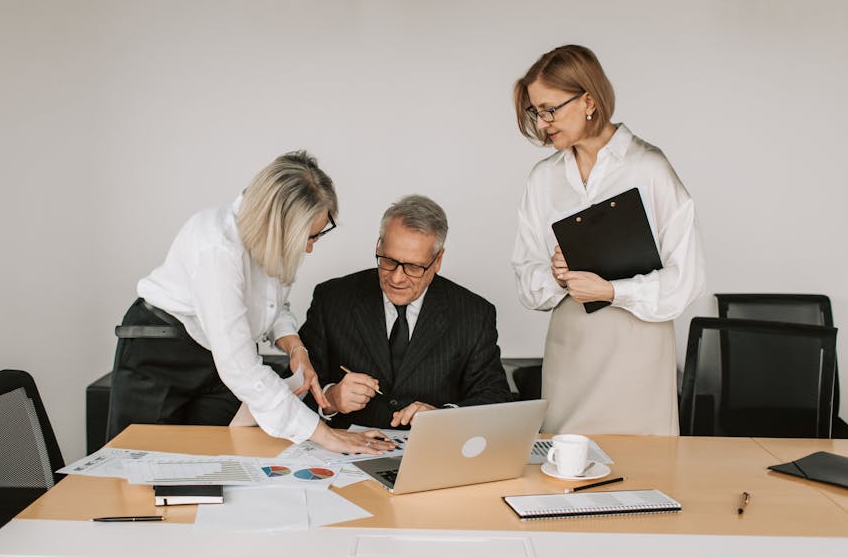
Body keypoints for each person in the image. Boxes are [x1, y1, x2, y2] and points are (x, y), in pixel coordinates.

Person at [107, 150, 394, 454]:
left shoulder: (273, 240)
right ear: (278, 227)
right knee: (141, 467)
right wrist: (325, 434)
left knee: (217, 461)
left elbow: (272, 305)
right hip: (161, 354)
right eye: (308, 237)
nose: (310, 248)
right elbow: (240, 367)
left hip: (215, 360)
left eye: (317, 235)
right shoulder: (217, 250)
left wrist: (295, 347)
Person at [511, 45, 705, 436]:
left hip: (637, 350)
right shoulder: (543, 178)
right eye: (536, 111)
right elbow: (526, 281)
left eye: (550, 109)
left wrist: (611, 291)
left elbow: (686, 280)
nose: (543, 121)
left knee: (641, 473)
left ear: (588, 100)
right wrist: (556, 275)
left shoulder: (648, 168)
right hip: (571, 347)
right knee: (561, 474)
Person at [299, 194, 513, 429]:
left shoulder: (474, 314)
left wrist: (443, 417)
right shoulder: (332, 298)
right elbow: (292, 388)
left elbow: (494, 398)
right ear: (378, 246)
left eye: (413, 267)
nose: (397, 278)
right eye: (388, 261)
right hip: (343, 453)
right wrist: (330, 399)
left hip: (431, 454)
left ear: (438, 260)